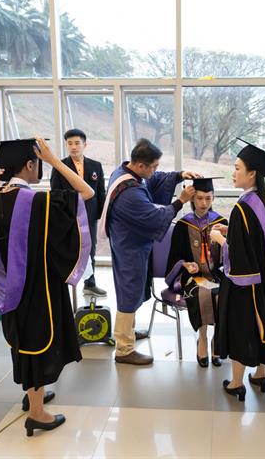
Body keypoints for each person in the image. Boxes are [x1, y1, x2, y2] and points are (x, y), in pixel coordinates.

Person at [0, 137, 93, 437]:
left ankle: (33, 396)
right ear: (31, 164)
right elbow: (86, 192)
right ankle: (36, 412)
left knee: (26, 341)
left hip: (11, 286)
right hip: (38, 286)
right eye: (40, 163)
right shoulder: (36, 202)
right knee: (37, 343)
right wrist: (58, 161)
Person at [98, 138, 198, 365]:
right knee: (129, 293)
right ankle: (124, 349)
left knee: (132, 290)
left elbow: (154, 182)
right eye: (153, 166)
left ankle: (129, 334)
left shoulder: (126, 172)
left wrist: (180, 175)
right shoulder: (130, 193)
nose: (156, 171)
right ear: (141, 165)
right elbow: (155, 218)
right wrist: (180, 201)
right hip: (129, 247)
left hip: (131, 242)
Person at [210, 139, 265, 400]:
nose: (234, 172)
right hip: (263, 280)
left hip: (244, 284)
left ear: (252, 173)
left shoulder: (243, 206)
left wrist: (221, 240)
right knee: (261, 324)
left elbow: (240, 254)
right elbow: (255, 239)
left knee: (242, 329)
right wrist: (230, 230)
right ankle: (261, 374)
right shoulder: (262, 201)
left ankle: (237, 383)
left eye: (238, 167)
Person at [164, 177, 228, 367]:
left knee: (222, 292)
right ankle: (202, 338)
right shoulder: (184, 225)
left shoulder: (221, 222)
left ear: (213, 197)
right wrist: (185, 264)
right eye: (199, 198)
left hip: (217, 273)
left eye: (208, 198)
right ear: (192, 199)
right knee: (202, 292)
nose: (204, 203)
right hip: (193, 276)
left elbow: (231, 253)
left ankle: (217, 338)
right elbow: (174, 256)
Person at [50, 128, 107, 296]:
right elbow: (55, 193)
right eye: (69, 144)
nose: (73, 147)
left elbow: (101, 192)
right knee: (69, 249)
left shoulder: (95, 166)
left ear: (84, 144)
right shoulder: (60, 166)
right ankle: (65, 283)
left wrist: (103, 214)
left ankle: (90, 284)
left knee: (90, 249)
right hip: (69, 217)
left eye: (77, 143)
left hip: (89, 216)